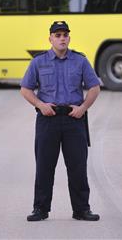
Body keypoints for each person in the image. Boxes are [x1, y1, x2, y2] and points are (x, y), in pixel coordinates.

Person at [20, 21, 101, 222]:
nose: (62, 38)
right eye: (57, 35)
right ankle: (40, 209)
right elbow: (25, 89)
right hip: (48, 120)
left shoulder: (80, 61)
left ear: (69, 38)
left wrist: (83, 108)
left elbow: (94, 87)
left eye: (65, 34)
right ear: (50, 39)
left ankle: (82, 210)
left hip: (74, 120)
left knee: (78, 167)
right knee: (45, 166)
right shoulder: (38, 62)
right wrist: (40, 104)